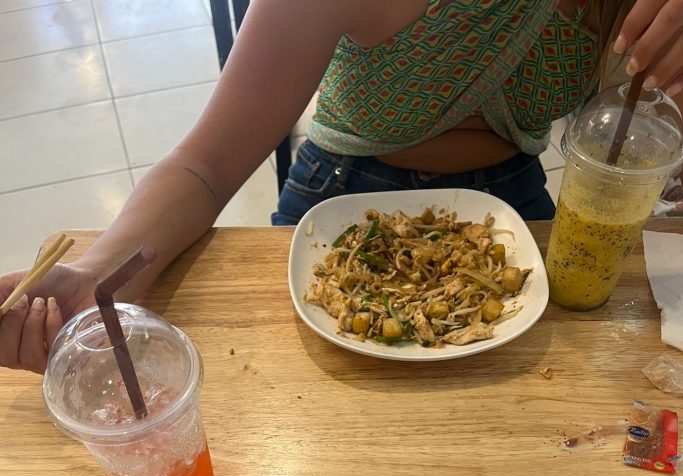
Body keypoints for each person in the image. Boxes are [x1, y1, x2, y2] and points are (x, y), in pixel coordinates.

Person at [0, 0, 681, 373]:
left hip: (514, 217)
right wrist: (98, 277)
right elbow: (204, 167)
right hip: (337, 204)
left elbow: (651, 158)